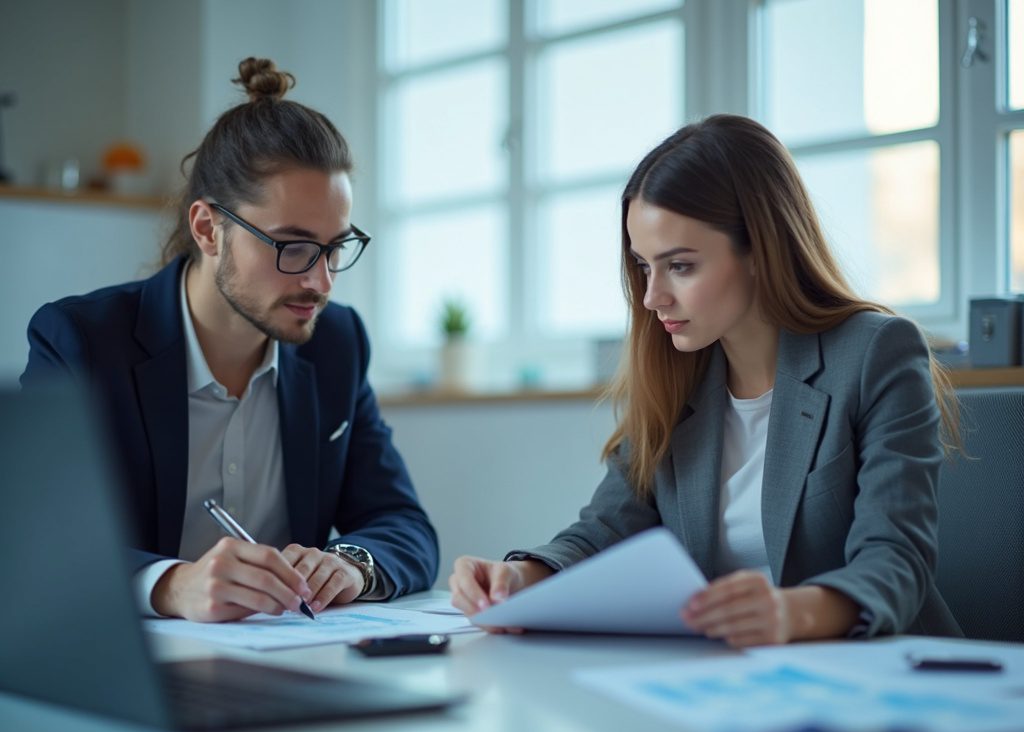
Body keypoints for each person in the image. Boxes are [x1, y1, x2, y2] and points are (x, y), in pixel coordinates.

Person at [449, 114, 962, 647]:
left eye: (681, 266)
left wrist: (789, 614)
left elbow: (894, 561)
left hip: (876, 672)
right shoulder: (677, 373)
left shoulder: (876, 353)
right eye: (645, 266)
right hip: (729, 678)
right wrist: (518, 580)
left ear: (762, 250)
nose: (652, 298)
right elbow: (606, 530)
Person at [20, 57, 438, 622]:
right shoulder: (82, 342)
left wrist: (353, 564)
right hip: (135, 679)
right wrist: (170, 585)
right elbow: (34, 537)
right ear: (207, 228)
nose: (321, 281)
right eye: (292, 246)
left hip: (293, 666)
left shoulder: (336, 342)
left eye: (336, 247)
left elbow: (404, 525)